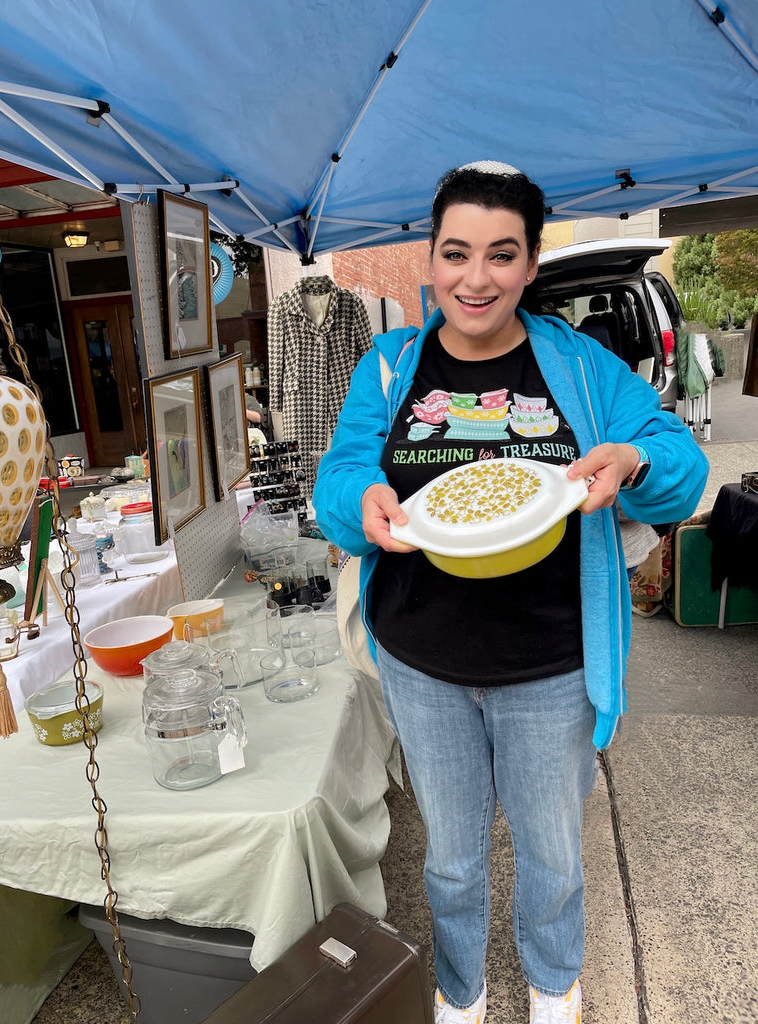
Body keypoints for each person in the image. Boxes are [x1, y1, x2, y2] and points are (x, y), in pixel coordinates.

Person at [313, 162, 708, 1024]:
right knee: (451, 858)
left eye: (502, 254)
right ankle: (463, 995)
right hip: (424, 659)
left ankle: (553, 987)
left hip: (551, 660)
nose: (476, 276)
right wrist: (360, 501)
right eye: (456, 253)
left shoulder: (581, 366)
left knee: (552, 854)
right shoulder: (389, 369)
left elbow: (682, 466)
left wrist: (635, 460)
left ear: (530, 265)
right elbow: (338, 479)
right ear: (431, 259)